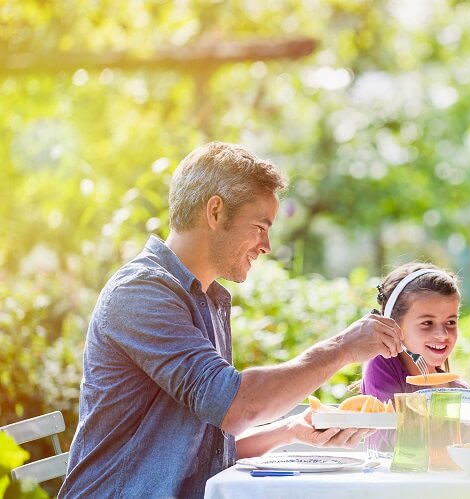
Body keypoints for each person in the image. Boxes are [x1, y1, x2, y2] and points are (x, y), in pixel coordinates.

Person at [62, 142, 404, 499]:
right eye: (259, 226)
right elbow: (237, 407)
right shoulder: (141, 294)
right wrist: (344, 347)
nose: (267, 245)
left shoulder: (206, 298)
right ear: (215, 211)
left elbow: (205, 452)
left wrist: (289, 430)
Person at [361, 262, 470, 400]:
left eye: (450, 322)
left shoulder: (461, 391)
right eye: (427, 323)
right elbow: (394, 421)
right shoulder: (381, 366)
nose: (443, 334)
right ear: (393, 325)